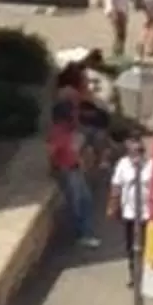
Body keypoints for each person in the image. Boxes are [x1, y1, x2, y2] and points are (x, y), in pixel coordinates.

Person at [48, 103, 99, 246]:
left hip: (75, 169)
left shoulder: (68, 131)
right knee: (79, 204)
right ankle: (82, 235)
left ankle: (84, 233)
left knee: (85, 201)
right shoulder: (59, 132)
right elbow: (52, 152)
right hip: (68, 171)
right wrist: (55, 168)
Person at [110, 136, 151, 289]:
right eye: (133, 151)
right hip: (129, 213)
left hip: (147, 213)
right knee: (132, 246)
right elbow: (116, 185)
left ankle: (147, 274)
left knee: (145, 245)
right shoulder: (123, 164)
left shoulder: (151, 165)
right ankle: (134, 275)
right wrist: (113, 206)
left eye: (139, 151)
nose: (136, 154)